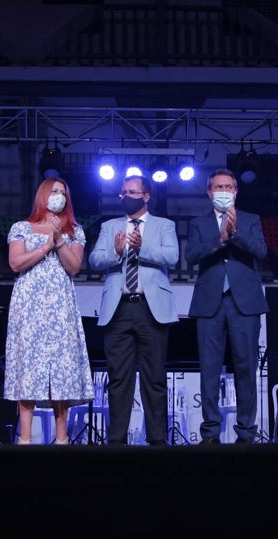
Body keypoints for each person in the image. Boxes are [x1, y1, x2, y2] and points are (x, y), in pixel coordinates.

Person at [88, 174, 179, 446]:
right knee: (118, 378)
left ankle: (158, 440)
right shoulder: (110, 226)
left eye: (132, 192)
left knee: (154, 378)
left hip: (151, 310)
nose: (126, 196)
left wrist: (143, 247)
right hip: (119, 309)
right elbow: (94, 260)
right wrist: (116, 252)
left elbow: (172, 257)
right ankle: (116, 440)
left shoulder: (164, 225)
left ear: (146, 196)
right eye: (123, 192)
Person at [3, 177, 94, 444]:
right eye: (54, 191)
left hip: (60, 305)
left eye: (63, 192)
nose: (59, 196)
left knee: (61, 367)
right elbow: (15, 263)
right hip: (29, 304)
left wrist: (59, 241)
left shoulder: (75, 230)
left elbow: (74, 266)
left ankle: (62, 437)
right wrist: (45, 245)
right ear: (43, 195)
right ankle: (26, 437)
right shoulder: (22, 227)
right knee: (28, 365)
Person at [184, 168, 268, 445]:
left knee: (246, 368)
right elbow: (192, 255)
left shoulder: (251, 219)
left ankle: (246, 432)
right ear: (209, 192)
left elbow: (260, 251)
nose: (223, 191)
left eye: (228, 187)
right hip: (210, 302)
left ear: (235, 191)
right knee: (209, 370)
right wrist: (220, 239)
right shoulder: (199, 223)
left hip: (245, 302)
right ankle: (210, 433)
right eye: (218, 187)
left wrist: (235, 233)